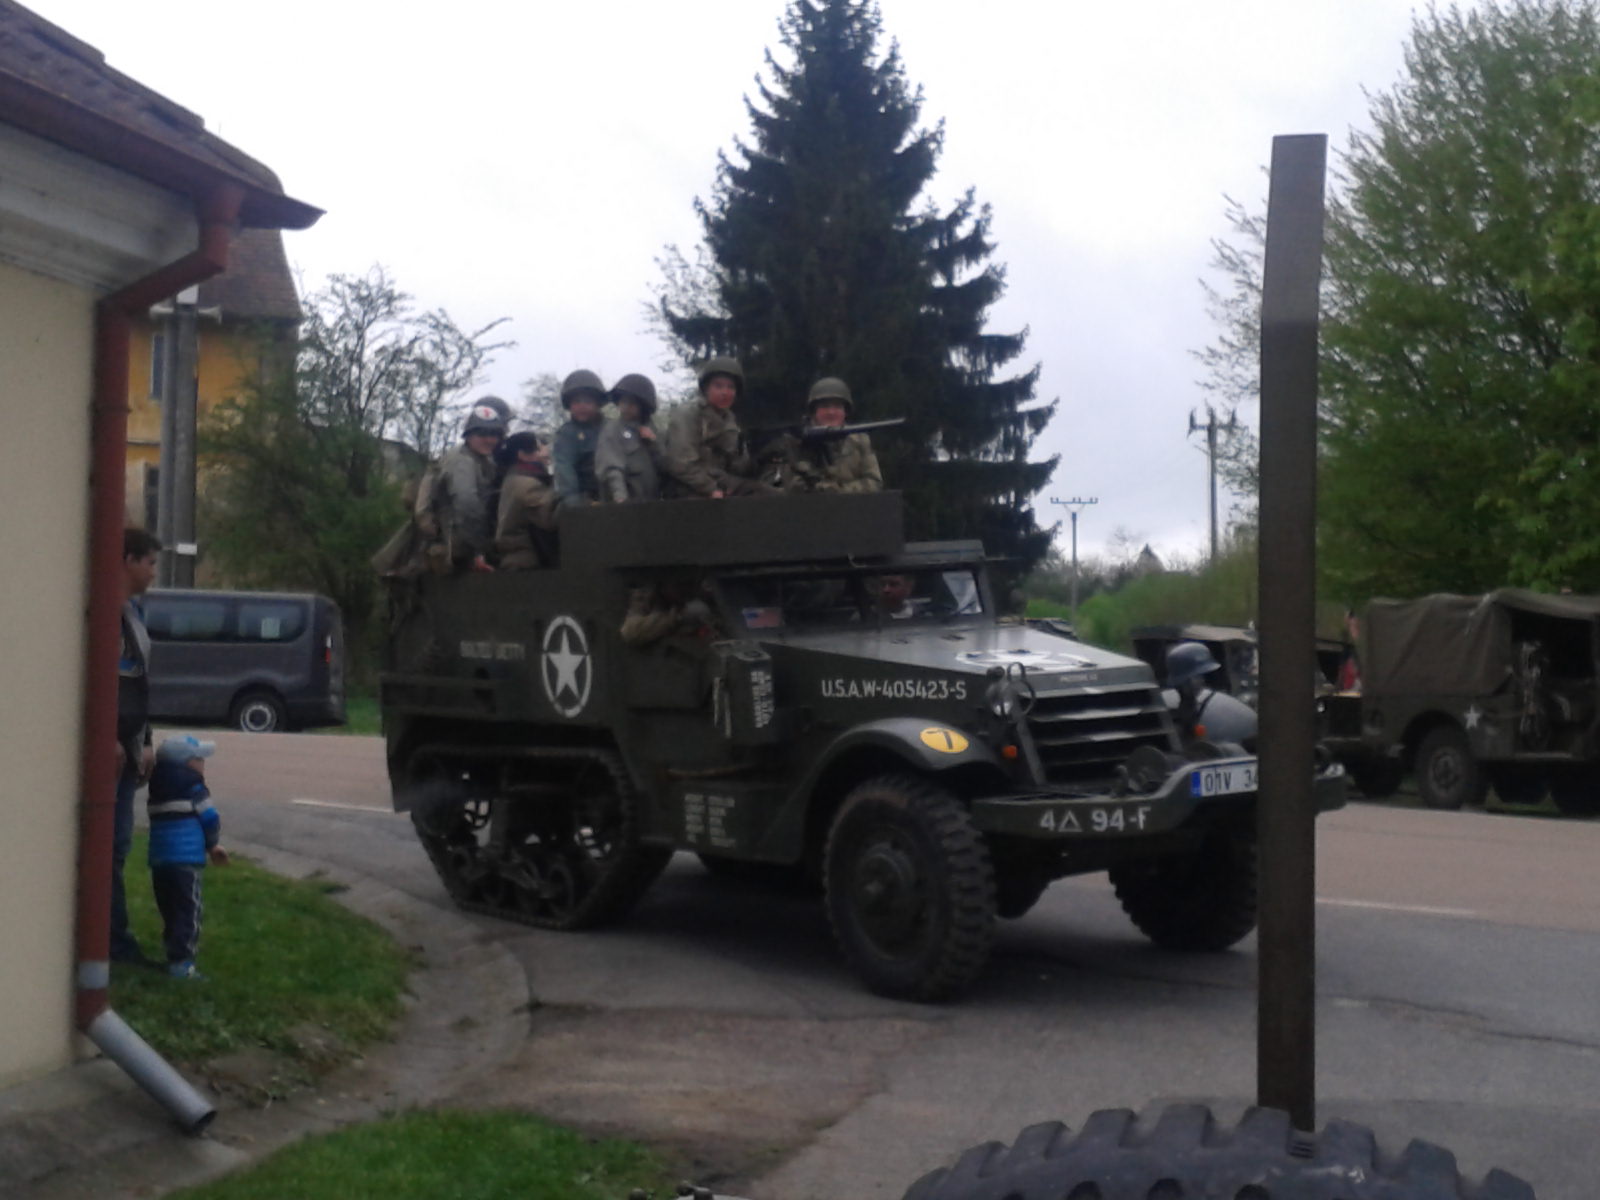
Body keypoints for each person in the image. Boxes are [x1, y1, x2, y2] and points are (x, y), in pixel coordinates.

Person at [112, 528, 161, 965]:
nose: (153, 572)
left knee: (120, 845)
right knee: (106, 846)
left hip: (129, 749)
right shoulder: (102, 612)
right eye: (149, 562)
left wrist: (145, 741)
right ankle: (111, 943)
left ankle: (113, 938)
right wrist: (103, 739)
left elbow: (139, 685)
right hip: (106, 754)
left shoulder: (135, 615)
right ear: (127, 560)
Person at [145, 735, 229, 980]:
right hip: (186, 859)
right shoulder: (195, 788)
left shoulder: (157, 789)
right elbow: (210, 818)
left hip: (160, 859)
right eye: (199, 758)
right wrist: (213, 845)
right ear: (186, 764)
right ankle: (182, 963)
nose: (203, 763)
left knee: (169, 908)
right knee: (189, 910)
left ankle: (173, 952)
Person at [417, 398, 507, 572]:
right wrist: (479, 551)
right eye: (482, 434)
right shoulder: (461, 461)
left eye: (494, 434)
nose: (490, 440)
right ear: (469, 436)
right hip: (459, 547)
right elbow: (466, 505)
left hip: (468, 541)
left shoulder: (483, 459)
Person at [663, 357, 769, 498]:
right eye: (718, 386)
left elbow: (736, 468)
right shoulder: (688, 415)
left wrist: (757, 456)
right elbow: (680, 464)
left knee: (767, 494)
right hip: (687, 489)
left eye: (730, 387)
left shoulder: (730, 421)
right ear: (706, 389)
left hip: (719, 482)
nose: (725, 392)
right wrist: (710, 489)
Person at [788, 377, 883, 493]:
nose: (831, 412)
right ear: (814, 411)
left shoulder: (860, 440)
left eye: (837, 406)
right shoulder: (797, 442)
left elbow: (874, 482)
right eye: (825, 406)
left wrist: (840, 490)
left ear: (845, 411)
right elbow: (790, 486)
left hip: (853, 507)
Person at [495, 432, 562, 570]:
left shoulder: (513, 478)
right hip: (527, 562)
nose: (545, 453)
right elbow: (550, 518)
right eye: (538, 449)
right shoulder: (526, 485)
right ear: (523, 455)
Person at [596, 373, 662, 503]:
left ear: (642, 406)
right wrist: (620, 497)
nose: (626, 406)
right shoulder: (612, 429)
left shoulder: (652, 430)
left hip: (651, 502)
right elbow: (611, 468)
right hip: (624, 504)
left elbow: (666, 465)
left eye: (632, 403)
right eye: (623, 401)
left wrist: (653, 443)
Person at [552, 370, 607, 506]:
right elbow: (564, 471)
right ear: (569, 405)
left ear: (597, 404)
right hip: (584, 500)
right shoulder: (567, 434)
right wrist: (576, 503)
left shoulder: (612, 428)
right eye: (576, 402)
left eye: (588, 401)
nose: (582, 406)